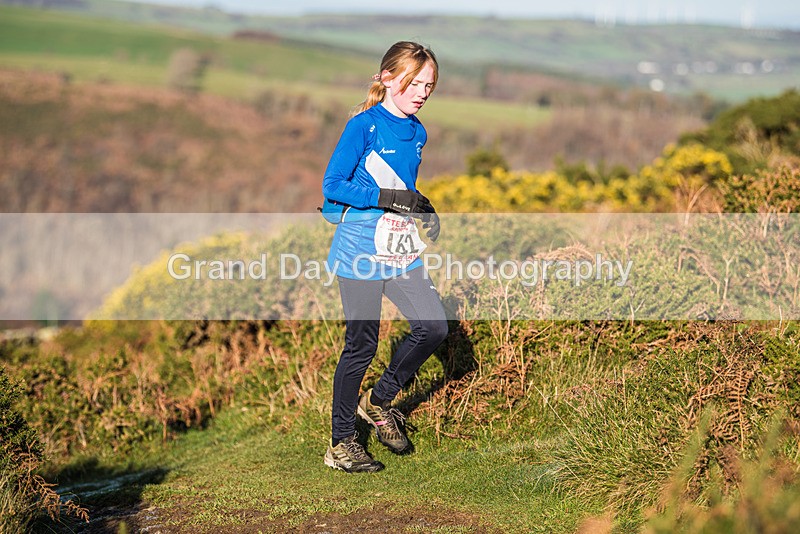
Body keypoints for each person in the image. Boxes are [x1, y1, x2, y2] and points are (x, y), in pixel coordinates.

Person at [321, 41, 449, 473]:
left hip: (399, 247)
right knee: (361, 347)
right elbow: (333, 185)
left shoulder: (419, 132)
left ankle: (376, 402)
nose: (422, 93)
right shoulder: (364, 126)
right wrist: (388, 196)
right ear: (387, 78)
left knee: (433, 327)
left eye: (429, 85)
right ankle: (341, 445)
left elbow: (402, 186)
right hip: (359, 249)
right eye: (413, 83)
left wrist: (422, 207)